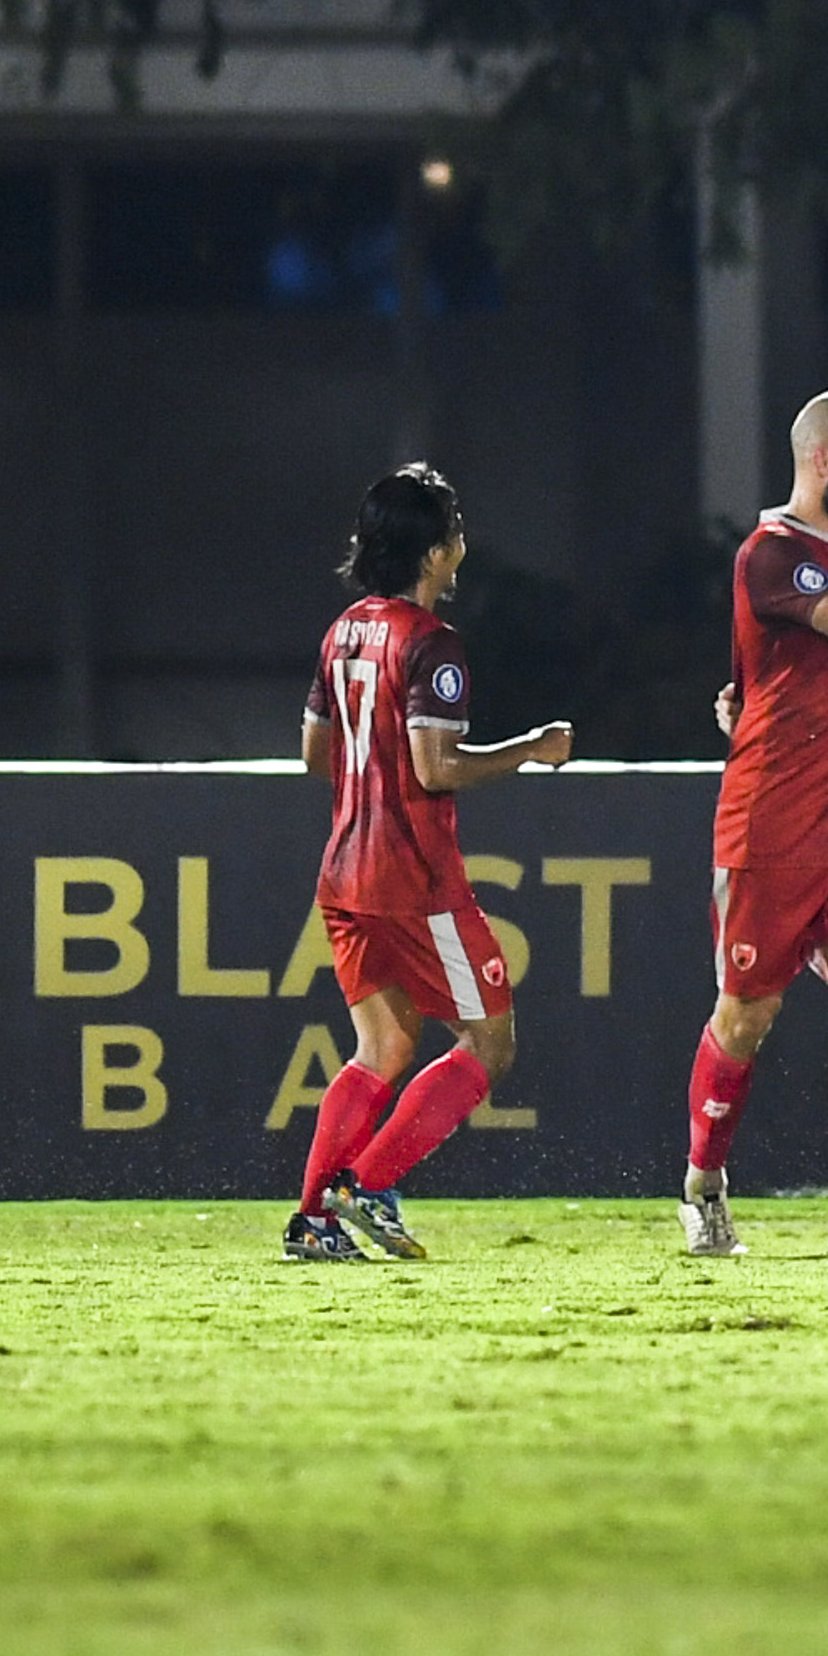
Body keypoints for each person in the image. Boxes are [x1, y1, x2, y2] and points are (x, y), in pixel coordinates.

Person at [285, 464, 575, 1261]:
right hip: (412, 877)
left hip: (344, 871)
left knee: (380, 1048)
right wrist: (532, 748)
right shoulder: (431, 642)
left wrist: (372, 777)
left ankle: (314, 1220)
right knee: (490, 1041)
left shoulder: (343, 631)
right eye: (457, 532)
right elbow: (436, 765)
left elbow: (315, 753)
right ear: (437, 550)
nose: (462, 546)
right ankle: (365, 1184)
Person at [684, 392, 828, 1257]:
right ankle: (703, 1182)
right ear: (823, 461)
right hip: (773, 825)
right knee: (746, 1016)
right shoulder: (774, 553)